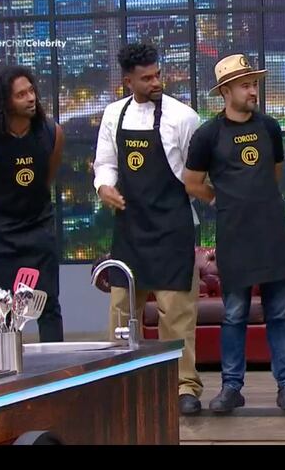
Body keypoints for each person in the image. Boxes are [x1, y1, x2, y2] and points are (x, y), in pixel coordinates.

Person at [184, 53, 285, 413]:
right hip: (234, 236)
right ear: (225, 91)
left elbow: (275, 173)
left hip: (272, 233)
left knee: (279, 314)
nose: (253, 91)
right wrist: (222, 199)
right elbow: (192, 182)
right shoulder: (207, 135)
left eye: (254, 84)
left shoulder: (270, 127)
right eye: (245, 85)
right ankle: (231, 388)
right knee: (234, 314)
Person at [94, 43, 203, 414]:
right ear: (128, 81)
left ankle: (184, 386)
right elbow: (105, 163)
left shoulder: (184, 117)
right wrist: (104, 187)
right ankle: (119, 382)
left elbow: (194, 173)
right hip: (130, 228)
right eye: (146, 78)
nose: (156, 82)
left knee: (176, 314)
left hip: (172, 227)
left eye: (158, 75)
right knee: (122, 313)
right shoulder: (113, 114)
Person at [0, 65, 64, 342]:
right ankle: (2, 365)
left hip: (37, 227)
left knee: (48, 304)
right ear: (3, 102)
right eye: (21, 95)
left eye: (31, 91)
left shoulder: (51, 132)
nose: (31, 98)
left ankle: (59, 366)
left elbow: (46, 178)